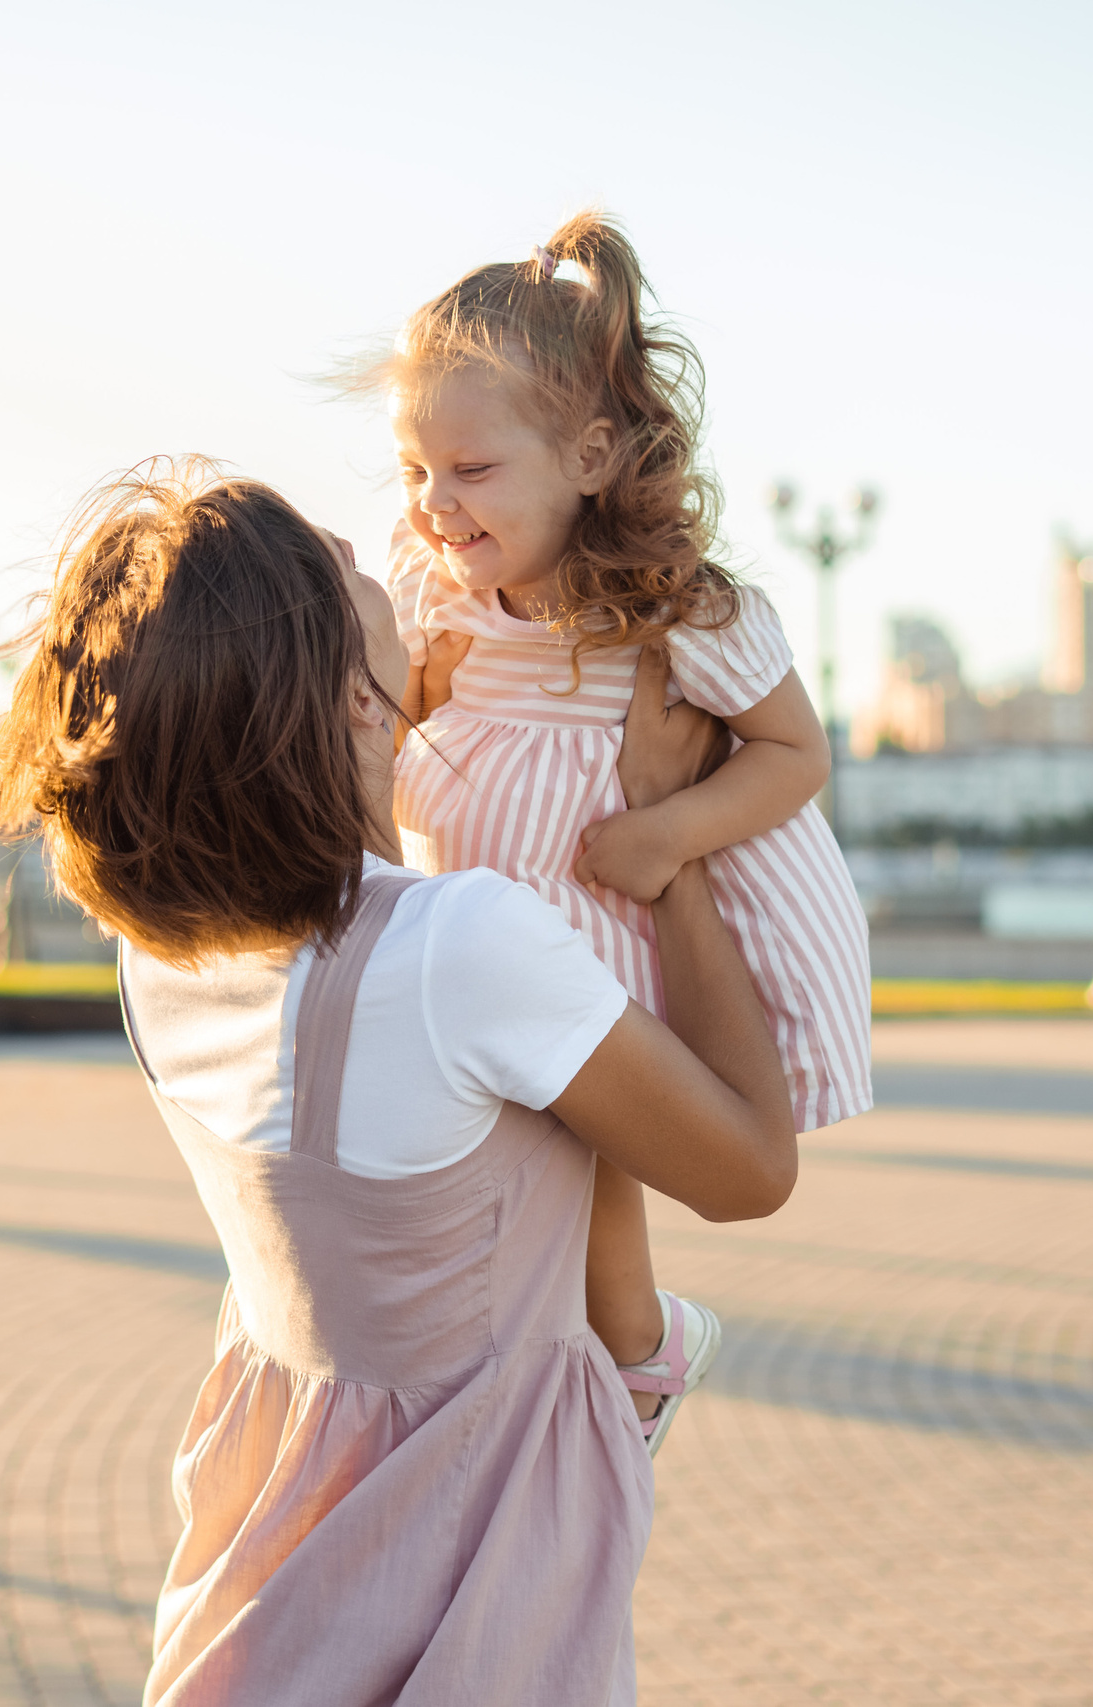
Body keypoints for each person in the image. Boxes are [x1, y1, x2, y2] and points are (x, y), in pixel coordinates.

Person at [0, 465, 797, 1705]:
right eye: (349, 569)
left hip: (263, 1587)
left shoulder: (163, 954)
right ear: (347, 698)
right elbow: (751, 1168)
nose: (393, 543)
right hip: (471, 1584)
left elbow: (350, 920)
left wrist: (401, 732)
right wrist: (669, 837)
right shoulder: (467, 950)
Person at [355, 211, 871, 1443]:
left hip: (601, 917)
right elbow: (396, 716)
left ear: (590, 456)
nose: (435, 504)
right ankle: (563, 1362)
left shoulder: (673, 611)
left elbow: (797, 754)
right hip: (480, 899)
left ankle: (636, 1354)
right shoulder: (434, 586)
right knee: (503, 1161)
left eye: (472, 472)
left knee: (588, 1156)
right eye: (415, 470)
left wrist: (670, 834)